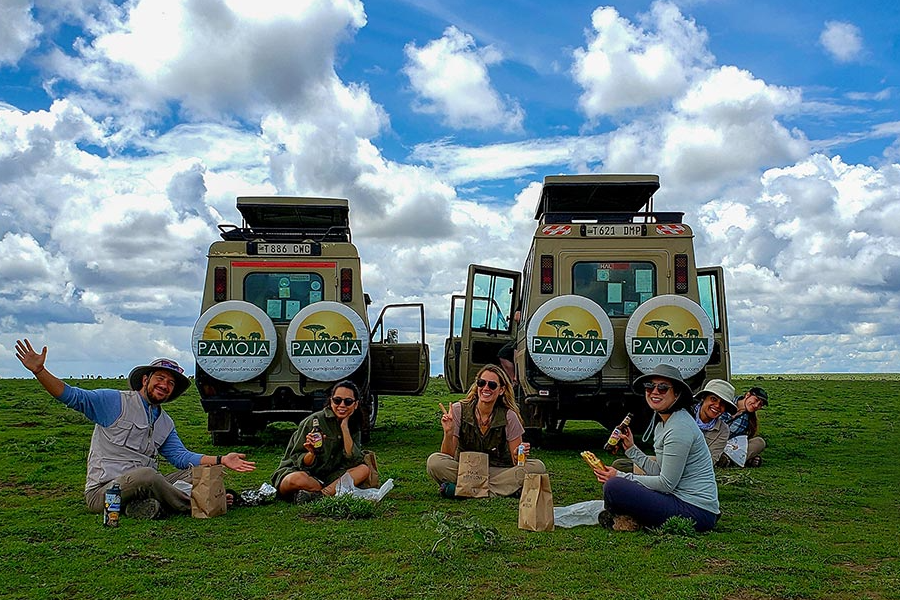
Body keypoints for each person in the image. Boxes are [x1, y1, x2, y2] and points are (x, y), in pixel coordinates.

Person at [13, 339, 256, 519]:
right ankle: (199, 503)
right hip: (104, 491)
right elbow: (73, 397)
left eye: (171, 383)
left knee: (205, 473)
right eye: (160, 378)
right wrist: (40, 371)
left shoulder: (164, 422)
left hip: (142, 486)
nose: (165, 385)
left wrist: (222, 459)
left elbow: (181, 457)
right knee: (148, 476)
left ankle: (144, 508)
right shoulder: (114, 401)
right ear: (145, 380)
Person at [592, 364, 720, 532]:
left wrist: (620, 476)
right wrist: (631, 449)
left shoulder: (679, 428)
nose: (654, 392)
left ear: (677, 394)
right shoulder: (664, 423)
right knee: (616, 485)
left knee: (614, 486)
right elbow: (660, 472)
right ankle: (628, 518)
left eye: (663, 388)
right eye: (650, 386)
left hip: (696, 511)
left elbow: (666, 484)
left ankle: (628, 520)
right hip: (682, 500)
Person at [426, 364, 546, 498]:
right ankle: (501, 491)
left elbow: (516, 462)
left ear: (501, 390)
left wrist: (518, 454)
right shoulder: (458, 410)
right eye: (481, 383)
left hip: (496, 471)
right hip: (466, 470)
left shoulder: (509, 416)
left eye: (492, 385)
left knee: (537, 468)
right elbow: (447, 455)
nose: (486, 388)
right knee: (434, 462)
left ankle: (461, 490)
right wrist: (448, 433)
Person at [271, 380, 370, 503]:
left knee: (364, 469)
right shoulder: (313, 422)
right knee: (297, 479)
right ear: (330, 401)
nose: (342, 405)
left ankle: (320, 495)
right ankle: (328, 491)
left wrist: (345, 428)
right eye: (337, 400)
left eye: (348, 401)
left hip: (331, 476)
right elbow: (298, 461)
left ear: (355, 404)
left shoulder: (354, 424)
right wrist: (311, 453)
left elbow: (353, 460)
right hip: (303, 473)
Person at [689, 379, 737, 464]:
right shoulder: (684, 415)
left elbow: (710, 461)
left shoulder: (723, 430)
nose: (717, 405)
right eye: (713, 399)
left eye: (722, 403)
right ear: (703, 398)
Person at [721, 386, 769, 467]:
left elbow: (742, 440)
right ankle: (743, 460)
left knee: (759, 442)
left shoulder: (750, 420)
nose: (756, 405)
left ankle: (727, 460)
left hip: (729, 446)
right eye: (756, 400)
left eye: (760, 404)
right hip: (712, 440)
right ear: (747, 395)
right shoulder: (726, 401)